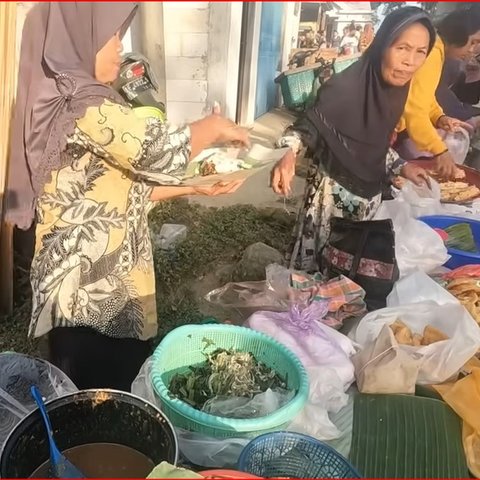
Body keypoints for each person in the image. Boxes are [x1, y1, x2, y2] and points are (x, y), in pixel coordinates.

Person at [6, 2, 250, 391]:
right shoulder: (77, 103)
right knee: (92, 403)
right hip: (87, 298)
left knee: (107, 397)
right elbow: (154, 150)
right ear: (78, 38)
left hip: (103, 287)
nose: (120, 46)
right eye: (110, 34)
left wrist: (194, 186)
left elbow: (121, 187)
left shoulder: (83, 95)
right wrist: (211, 127)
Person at [271, 7, 435, 272]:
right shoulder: (346, 87)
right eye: (402, 48)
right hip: (332, 204)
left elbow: (373, 144)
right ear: (382, 45)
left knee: (351, 287)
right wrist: (288, 154)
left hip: (369, 205)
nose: (410, 61)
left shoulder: (394, 93)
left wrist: (401, 166)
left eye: (420, 52)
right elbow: (309, 126)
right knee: (316, 279)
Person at [395, 7, 480, 178]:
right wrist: (440, 151)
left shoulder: (438, 52)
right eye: (473, 42)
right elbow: (414, 110)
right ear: (458, 34)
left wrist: (439, 117)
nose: (473, 50)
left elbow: (425, 96)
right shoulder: (432, 54)